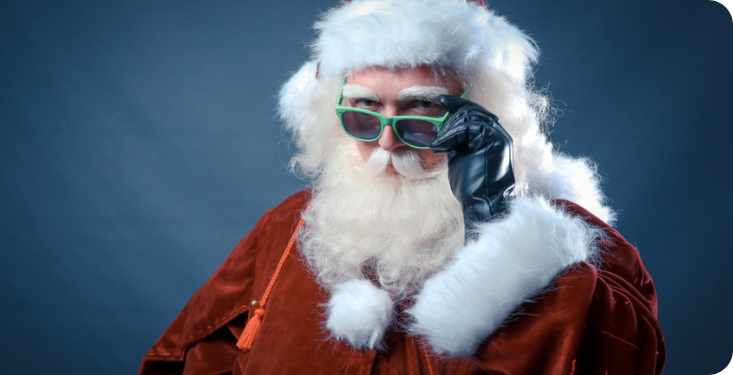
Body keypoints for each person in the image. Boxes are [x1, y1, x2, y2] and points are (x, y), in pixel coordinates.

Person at [139, 0, 665, 373]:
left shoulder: (579, 247)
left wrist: (495, 226)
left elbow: (624, 356)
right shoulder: (288, 228)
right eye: (364, 114)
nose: (389, 143)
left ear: (483, 114)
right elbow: (187, 358)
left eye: (423, 113)